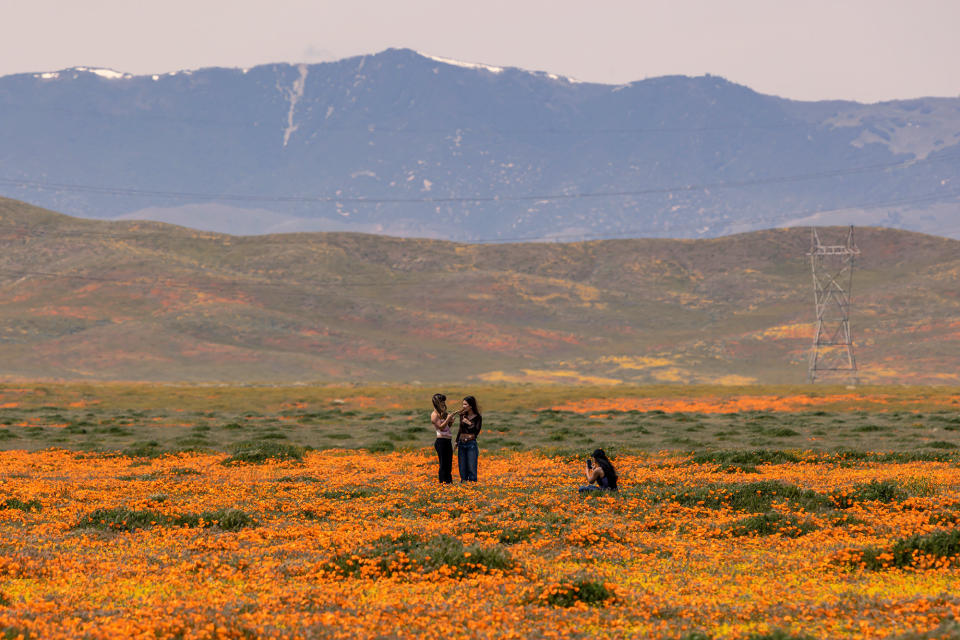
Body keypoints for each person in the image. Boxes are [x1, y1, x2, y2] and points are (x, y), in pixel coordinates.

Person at [430, 393, 456, 484]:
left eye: (444, 401)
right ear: (436, 402)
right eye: (441, 401)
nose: (443, 403)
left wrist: (451, 422)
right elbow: (440, 427)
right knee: (443, 464)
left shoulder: (443, 413)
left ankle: (449, 483)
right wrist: (448, 419)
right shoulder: (434, 414)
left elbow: (446, 427)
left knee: (449, 464)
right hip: (441, 441)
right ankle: (442, 483)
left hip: (448, 440)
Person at [455, 395, 482, 482]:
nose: (463, 406)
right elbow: (460, 429)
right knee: (462, 466)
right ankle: (464, 483)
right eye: (463, 404)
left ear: (471, 406)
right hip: (461, 443)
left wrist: (469, 423)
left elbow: (476, 431)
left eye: (465, 404)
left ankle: (473, 484)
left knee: (471, 465)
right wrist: (456, 441)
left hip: (471, 444)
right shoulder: (462, 415)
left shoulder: (478, 417)